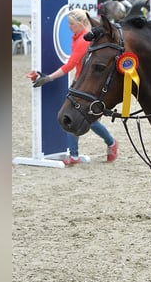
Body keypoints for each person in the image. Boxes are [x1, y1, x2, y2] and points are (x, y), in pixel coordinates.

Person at [28, 9, 118, 165]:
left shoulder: (83, 41)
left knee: (74, 115)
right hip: (79, 81)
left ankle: (79, 154)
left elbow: (70, 65)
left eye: (71, 24)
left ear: (81, 24)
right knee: (86, 119)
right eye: (68, 23)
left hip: (84, 85)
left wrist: (49, 78)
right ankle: (108, 143)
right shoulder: (76, 37)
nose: (69, 27)